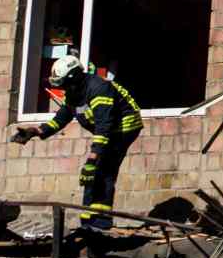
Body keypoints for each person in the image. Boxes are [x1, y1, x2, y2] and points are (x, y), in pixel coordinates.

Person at [10, 53, 141, 229]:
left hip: (123, 129)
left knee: (103, 171)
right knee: (95, 172)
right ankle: (88, 219)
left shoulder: (98, 89)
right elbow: (61, 118)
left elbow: (104, 127)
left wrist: (92, 158)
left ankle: (100, 222)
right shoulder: (74, 92)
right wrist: (36, 131)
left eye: (62, 84)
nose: (62, 89)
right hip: (106, 129)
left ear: (73, 78)